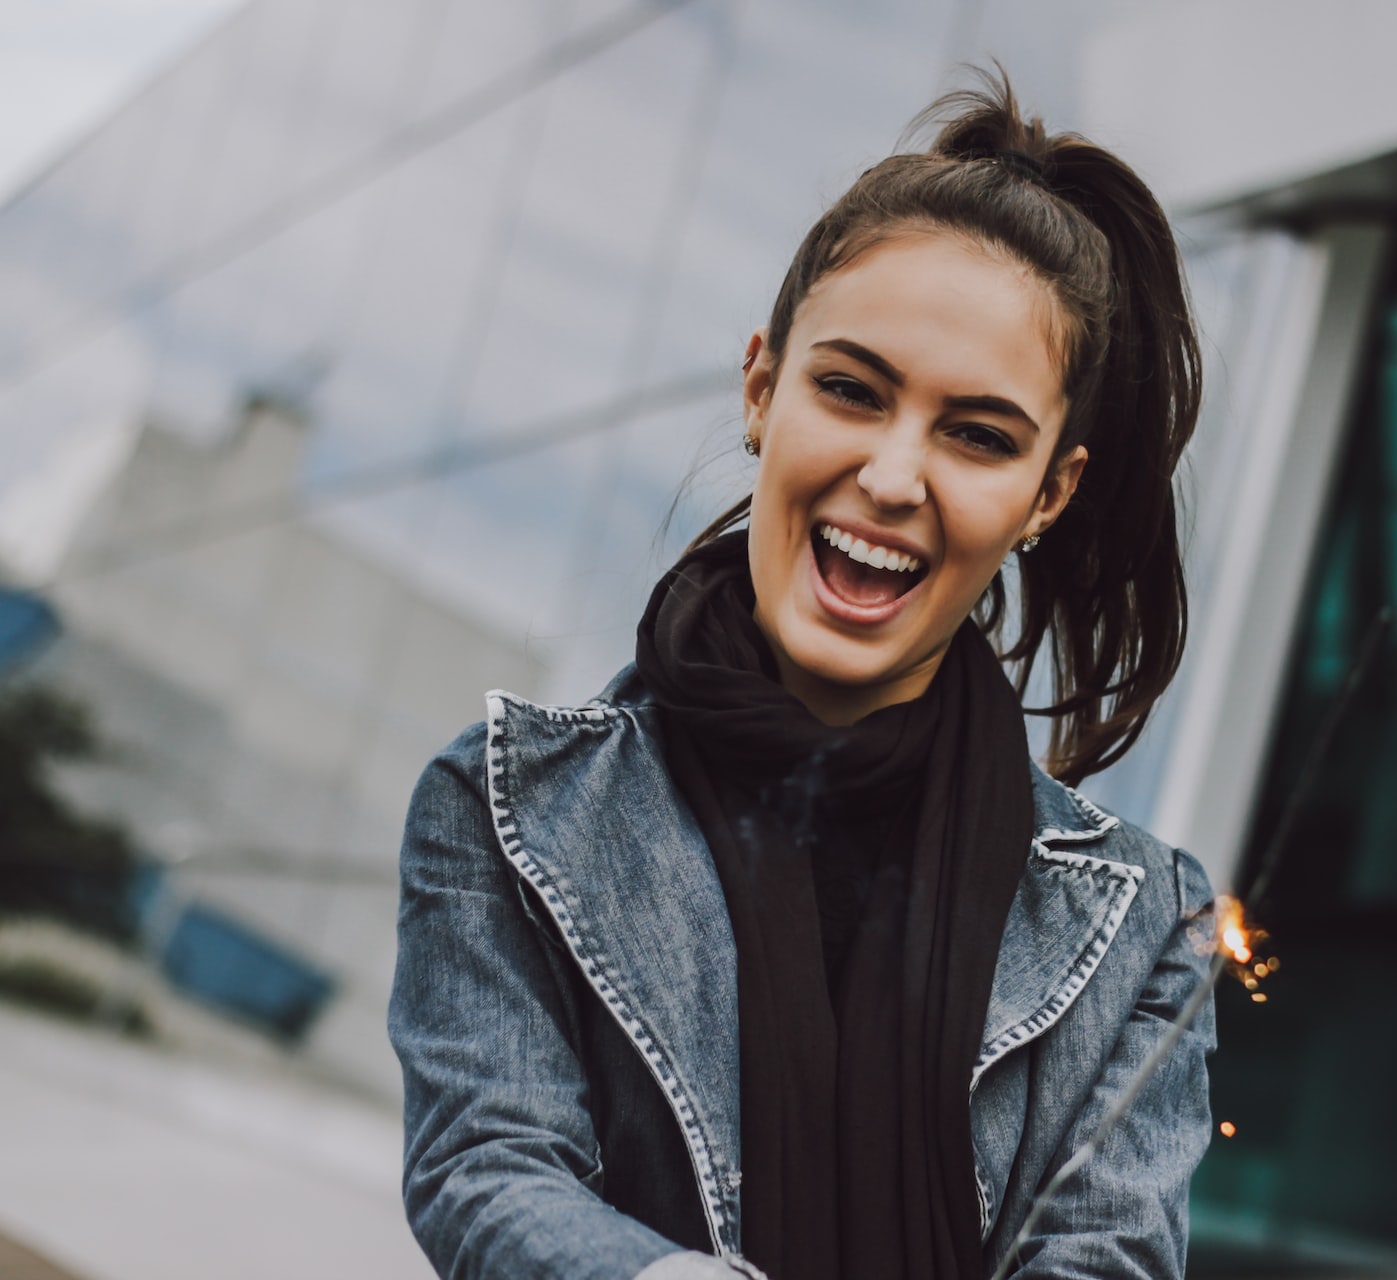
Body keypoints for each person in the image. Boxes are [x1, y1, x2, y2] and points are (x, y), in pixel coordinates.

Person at [388, 69, 1216, 1280]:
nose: (893, 474)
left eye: (978, 435)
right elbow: (486, 1167)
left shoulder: (1145, 929)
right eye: (851, 390)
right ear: (762, 388)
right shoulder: (507, 812)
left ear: (1050, 492)